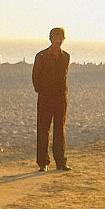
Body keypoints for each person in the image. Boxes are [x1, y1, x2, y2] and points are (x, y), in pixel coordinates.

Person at [32, 27, 71, 171]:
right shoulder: (41, 56)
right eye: (55, 37)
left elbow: (64, 75)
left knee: (60, 130)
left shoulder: (65, 56)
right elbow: (35, 77)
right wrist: (42, 91)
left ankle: (61, 162)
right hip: (45, 98)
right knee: (43, 130)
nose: (58, 40)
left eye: (60, 37)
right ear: (50, 38)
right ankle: (43, 163)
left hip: (61, 98)